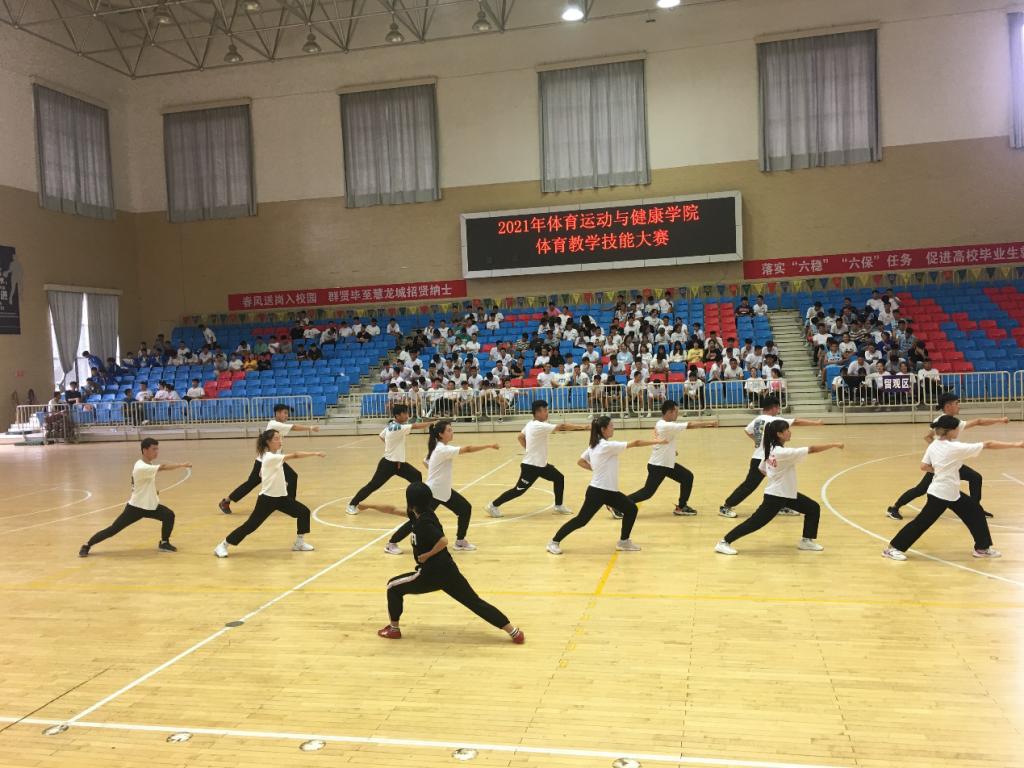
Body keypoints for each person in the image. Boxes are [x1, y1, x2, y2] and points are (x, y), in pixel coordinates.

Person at [369, 483, 524, 643]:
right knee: (475, 602)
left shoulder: (425, 522)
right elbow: (393, 509)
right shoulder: (420, 513)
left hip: (430, 574)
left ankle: (394, 629)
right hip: (449, 571)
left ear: (411, 502)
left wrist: (427, 555)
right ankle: (514, 632)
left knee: (393, 587)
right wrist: (369, 505)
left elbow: (443, 541)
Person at [883, 415, 1023, 561]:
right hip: (941, 494)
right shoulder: (954, 448)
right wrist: (1017, 444)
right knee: (922, 522)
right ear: (949, 431)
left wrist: (941, 470)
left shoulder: (934, 445)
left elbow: (924, 466)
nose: (958, 431)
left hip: (951, 492)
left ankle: (982, 548)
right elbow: (988, 444)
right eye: (957, 429)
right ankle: (893, 549)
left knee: (976, 512)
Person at [715, 420, 843, 555]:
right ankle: (724, 542)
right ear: (779, 434)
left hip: (786, 494)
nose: (790, 432)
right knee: (755, 522)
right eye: (787, 430)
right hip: (776, 496)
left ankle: (806, 541)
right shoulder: (782, 453)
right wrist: (834, 444)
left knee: (813, 508)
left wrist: (776, 476)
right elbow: (812, 449)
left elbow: (762, 469)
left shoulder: (770, 449)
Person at [545, 416, 667, 555]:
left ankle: (624, 542)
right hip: (598, 492)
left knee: (631, 509)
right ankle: (553, 542)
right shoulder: (606, 446)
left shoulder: (594, 445)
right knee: (581, 520)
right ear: (603, 429)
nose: (613, 428)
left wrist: (597, 469)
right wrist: (658, 441)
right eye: (611, 426)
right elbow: (636, 443)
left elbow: (581, 461)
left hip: (609, 492)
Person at [886, 393, 1009, 520]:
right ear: (948, 406)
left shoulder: (952, 422)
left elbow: (978, 422)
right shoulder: (941, 422)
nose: (959, 406)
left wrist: (999, 420)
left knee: (975, 477)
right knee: (921, 489)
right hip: (941, 464)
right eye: (956, 403)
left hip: (950, 463)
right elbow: (927, 436)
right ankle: (894, 508)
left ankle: (975, 510)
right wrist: (939, 452)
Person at [389, 420, 498, 552]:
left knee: (465, 509)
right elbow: (468, 449)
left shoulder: (438, 448)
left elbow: (426, 461)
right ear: (441, 434)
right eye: (449, 430)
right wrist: (489, 445)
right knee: (416, 520)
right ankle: (392, 543)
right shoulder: (442, 449)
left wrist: (435, 471)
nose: (452, 432)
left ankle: (460, 541)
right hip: (433, 493)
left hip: (443, 491)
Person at [214, 429, 325, 557]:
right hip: (267, 500)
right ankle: (223, 545)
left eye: (280, 438)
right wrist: (315, 453)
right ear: (268, 442)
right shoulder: (270, 457)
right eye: (276, 439)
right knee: (251, 525)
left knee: (303, 512)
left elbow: (265, 472)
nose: (280, 441)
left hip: (282, 498)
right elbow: (295, 455)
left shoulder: (273, 456)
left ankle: (299, 543)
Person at [79, 438, 190, 557]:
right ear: (145, 450)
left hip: (150, 506)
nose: (156, 452)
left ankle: (164, 543)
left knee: (169, 515)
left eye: (157, 449)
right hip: (135, 508)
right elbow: (162, 467)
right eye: (154, 449)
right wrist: (182, 465)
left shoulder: (146, 464)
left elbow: (144, 482)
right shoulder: (141, 467)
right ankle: (87, 545)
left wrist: (153, 492)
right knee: (113, 529)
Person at [719, 395, 823, 518]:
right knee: (750, 485)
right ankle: (726, 506)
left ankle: (780, 506)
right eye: (778, 408)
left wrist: (757, 441)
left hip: (767, 456)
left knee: (780, 482)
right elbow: (796, 421)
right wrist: (816, 423)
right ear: (773, 408)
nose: (778, 411)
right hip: (762, 458)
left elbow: (747, 430)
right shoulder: (774, 421)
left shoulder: (757, 419)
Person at [346, 405, 433, 550]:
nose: (407, 415)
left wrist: (392, 448)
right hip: (388, 464)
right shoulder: (397, 427)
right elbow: (416, 426)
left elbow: (381, 436)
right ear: (398, 416)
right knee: (373, 485)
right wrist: (432, 423)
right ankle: (352, 504)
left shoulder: (391, 425)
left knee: (416, 476)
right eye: (405, 413)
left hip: (399, 463)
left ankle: (415, 507)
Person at [485, 400, 589, 519]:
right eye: (545, 410)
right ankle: (493, 505)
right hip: (531, 467)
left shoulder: (530, 424)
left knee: (559, 478)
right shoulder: (538, 425)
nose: (547, 413)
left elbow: (520, 437)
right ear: (538, 412)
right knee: (518, 490)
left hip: (541, 465)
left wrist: (529, 449)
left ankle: (558, 506)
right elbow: (562, 427)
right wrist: (585, 427)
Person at [218, 403, 321, 514]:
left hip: (276, 460)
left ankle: (289, 503)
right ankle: (226, 501)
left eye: (287, 413)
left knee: (292, 476)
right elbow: (294, 427)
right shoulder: (274, 424)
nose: (287, 416)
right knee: (251, 483)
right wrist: (310, 428)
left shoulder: (279, 426)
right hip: (264, 462)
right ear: (277, 413)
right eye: (285, 413)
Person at [625, 400, 717, 517]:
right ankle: (618, 504)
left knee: (687, 477)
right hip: (659, 465)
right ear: (669, 412)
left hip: (667, 464)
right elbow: (689, 425)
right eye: (676, 412)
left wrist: (672, 451)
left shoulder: (661, 423)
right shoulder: (666, 425)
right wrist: (710, 423)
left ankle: (681, 507)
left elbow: (665, 440)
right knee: (647, 492)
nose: (677, 414)